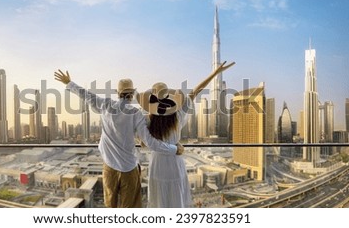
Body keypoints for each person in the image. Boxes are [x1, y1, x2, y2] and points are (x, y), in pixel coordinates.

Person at [54, 70, 184, 208]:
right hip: (129, 169)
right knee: (130, 208)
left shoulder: (105, 105)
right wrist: (174, 149)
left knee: (110, 206)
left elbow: (85, 94)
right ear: (132, 94)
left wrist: (68, 82)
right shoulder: (135, 113)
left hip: (109, 167)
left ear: (118, 93)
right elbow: (150, 142)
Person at [136, 61, 235, 208]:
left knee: (159, 201)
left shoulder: (146, 119)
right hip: (175, 163)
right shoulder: (178, 117)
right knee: (177, 200)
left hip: (158, 165)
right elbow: (195, 92)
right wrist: (215, 73)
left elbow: (143, 141)